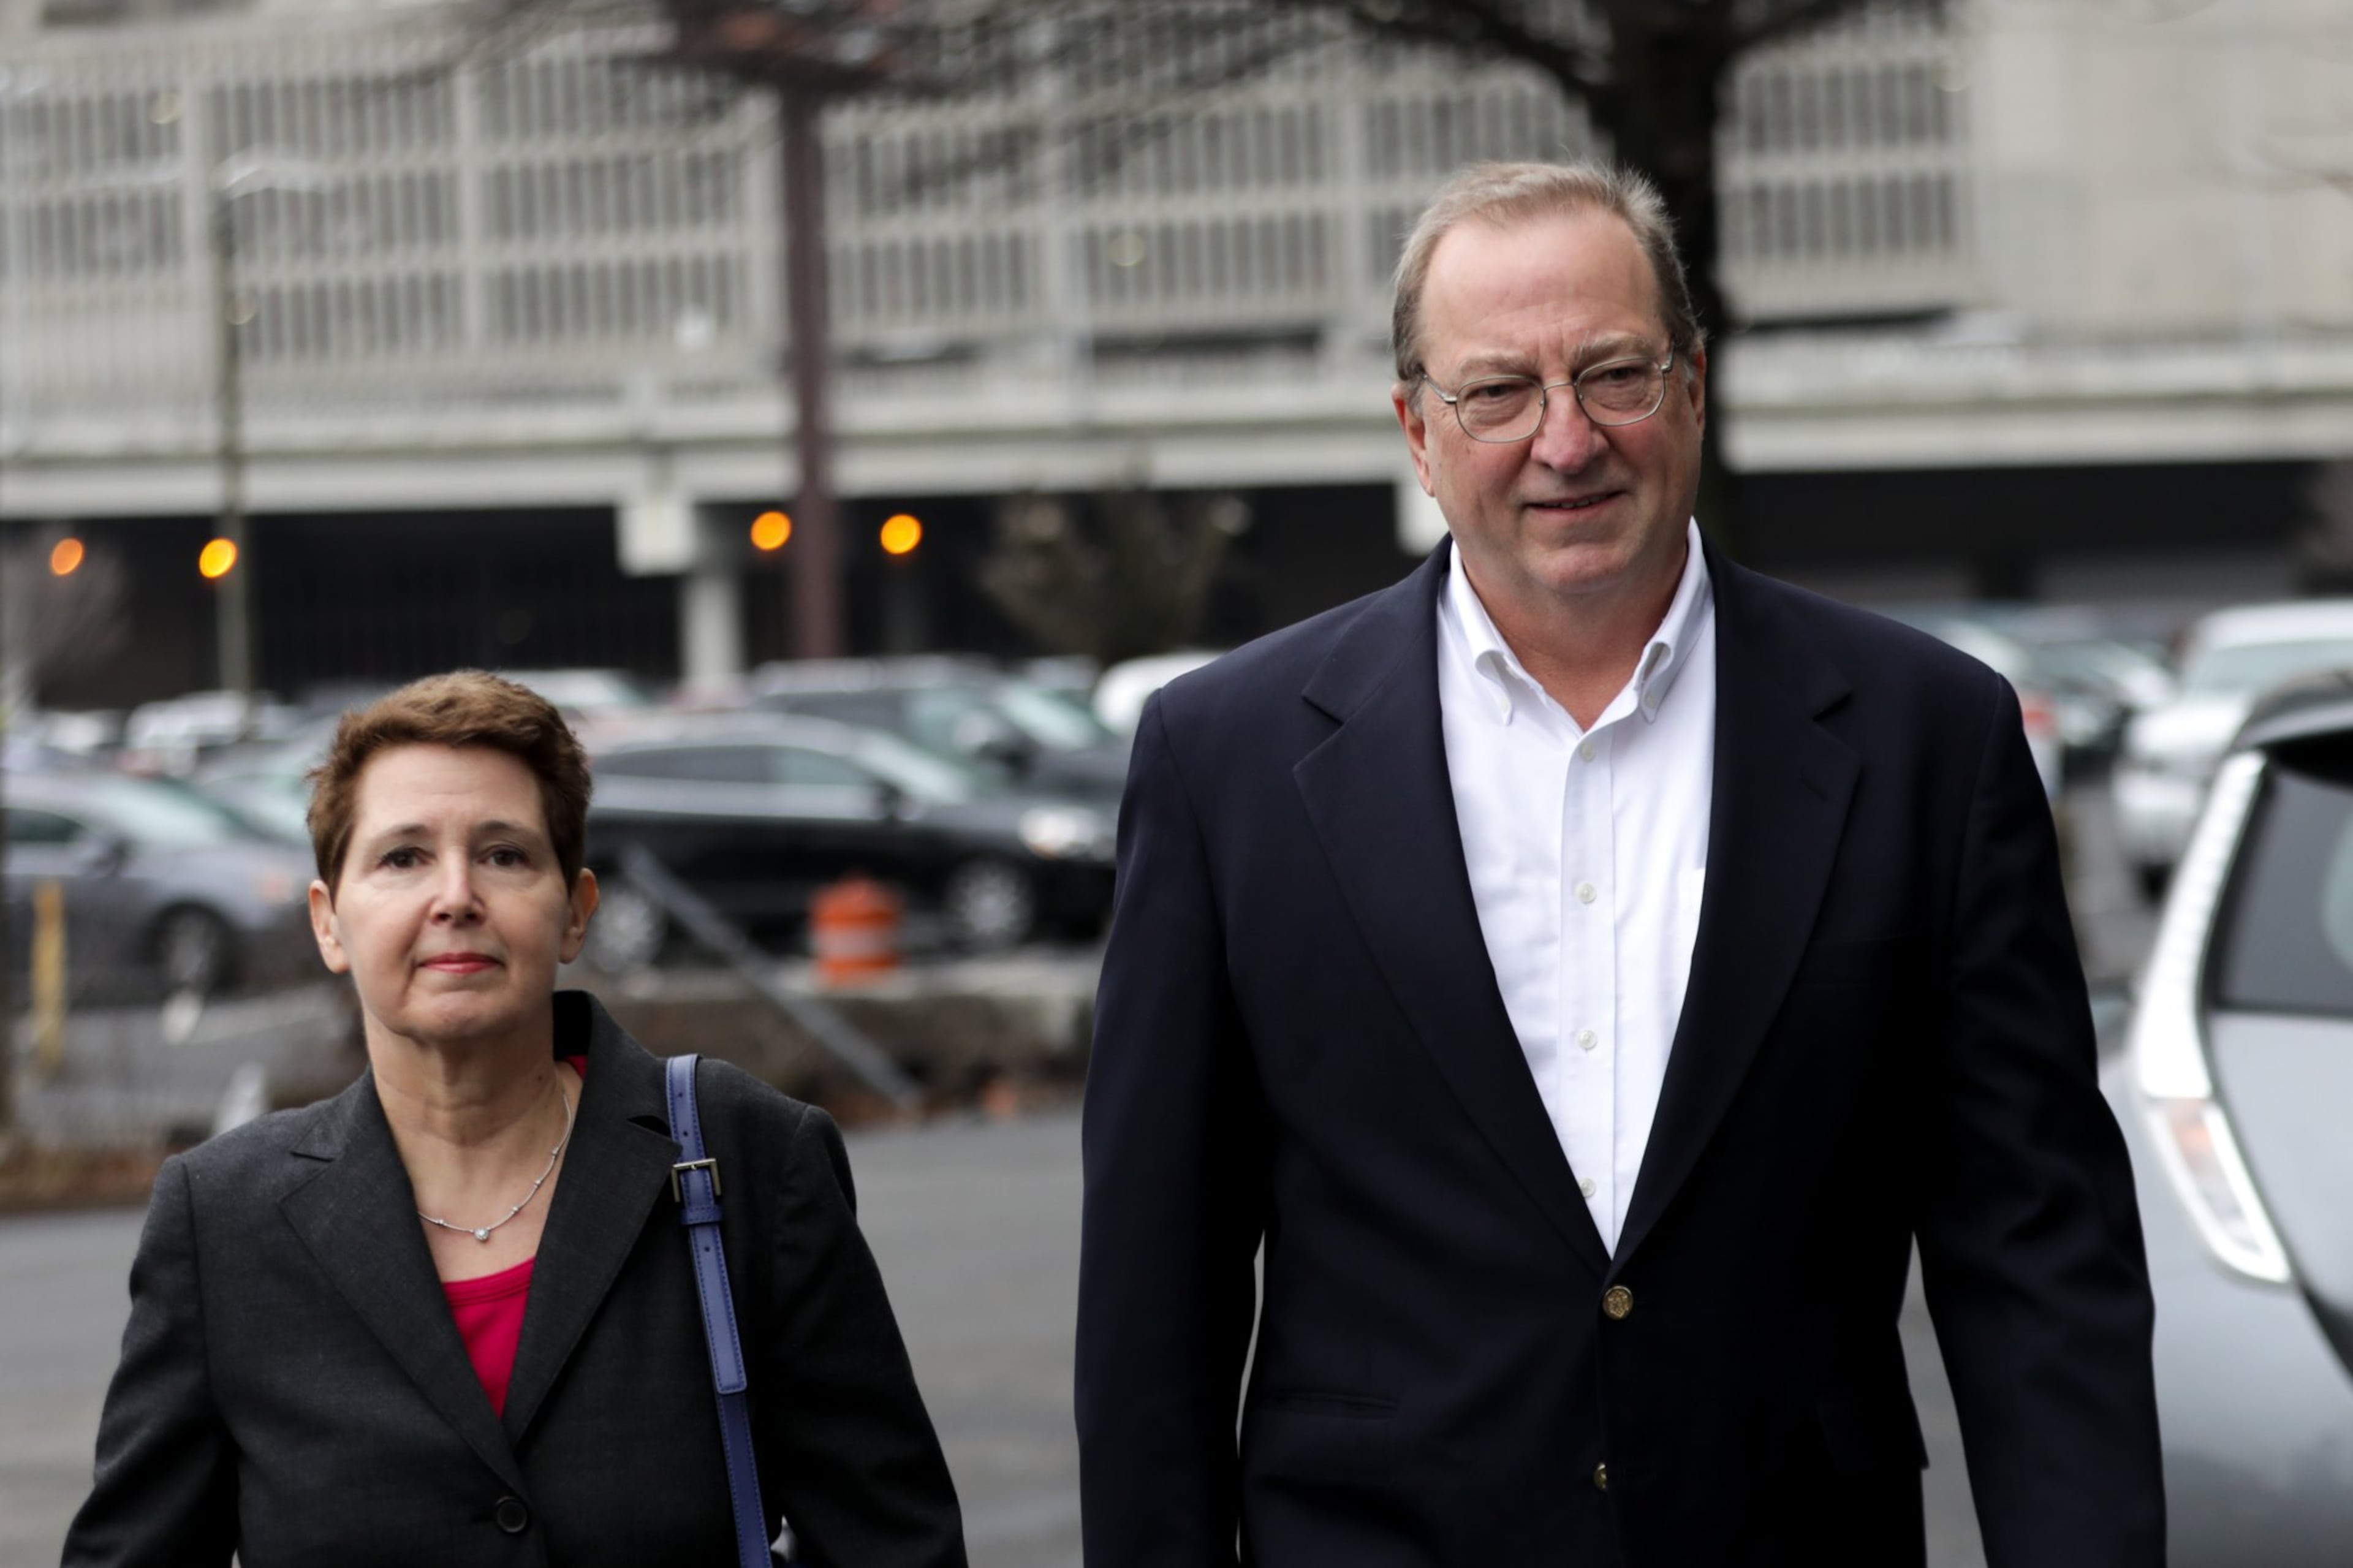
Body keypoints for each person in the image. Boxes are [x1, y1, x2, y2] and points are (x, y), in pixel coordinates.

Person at [1075, 161, 2163, 1567]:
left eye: (1614, 373)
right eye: (1499, 392)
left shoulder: (1927, 740)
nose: (1566, 438)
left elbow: (2038, 1261)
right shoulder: (1222, 761)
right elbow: (1159, 1294)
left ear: (1696, 388)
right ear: (1417, 428)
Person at [66, 671, 967, 1567]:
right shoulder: (222, 1219)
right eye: (403, 857)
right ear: (329, 923)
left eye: (504, 854)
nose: (455, 896)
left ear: (574, 913)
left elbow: (896, 1547)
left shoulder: (752, 1158)